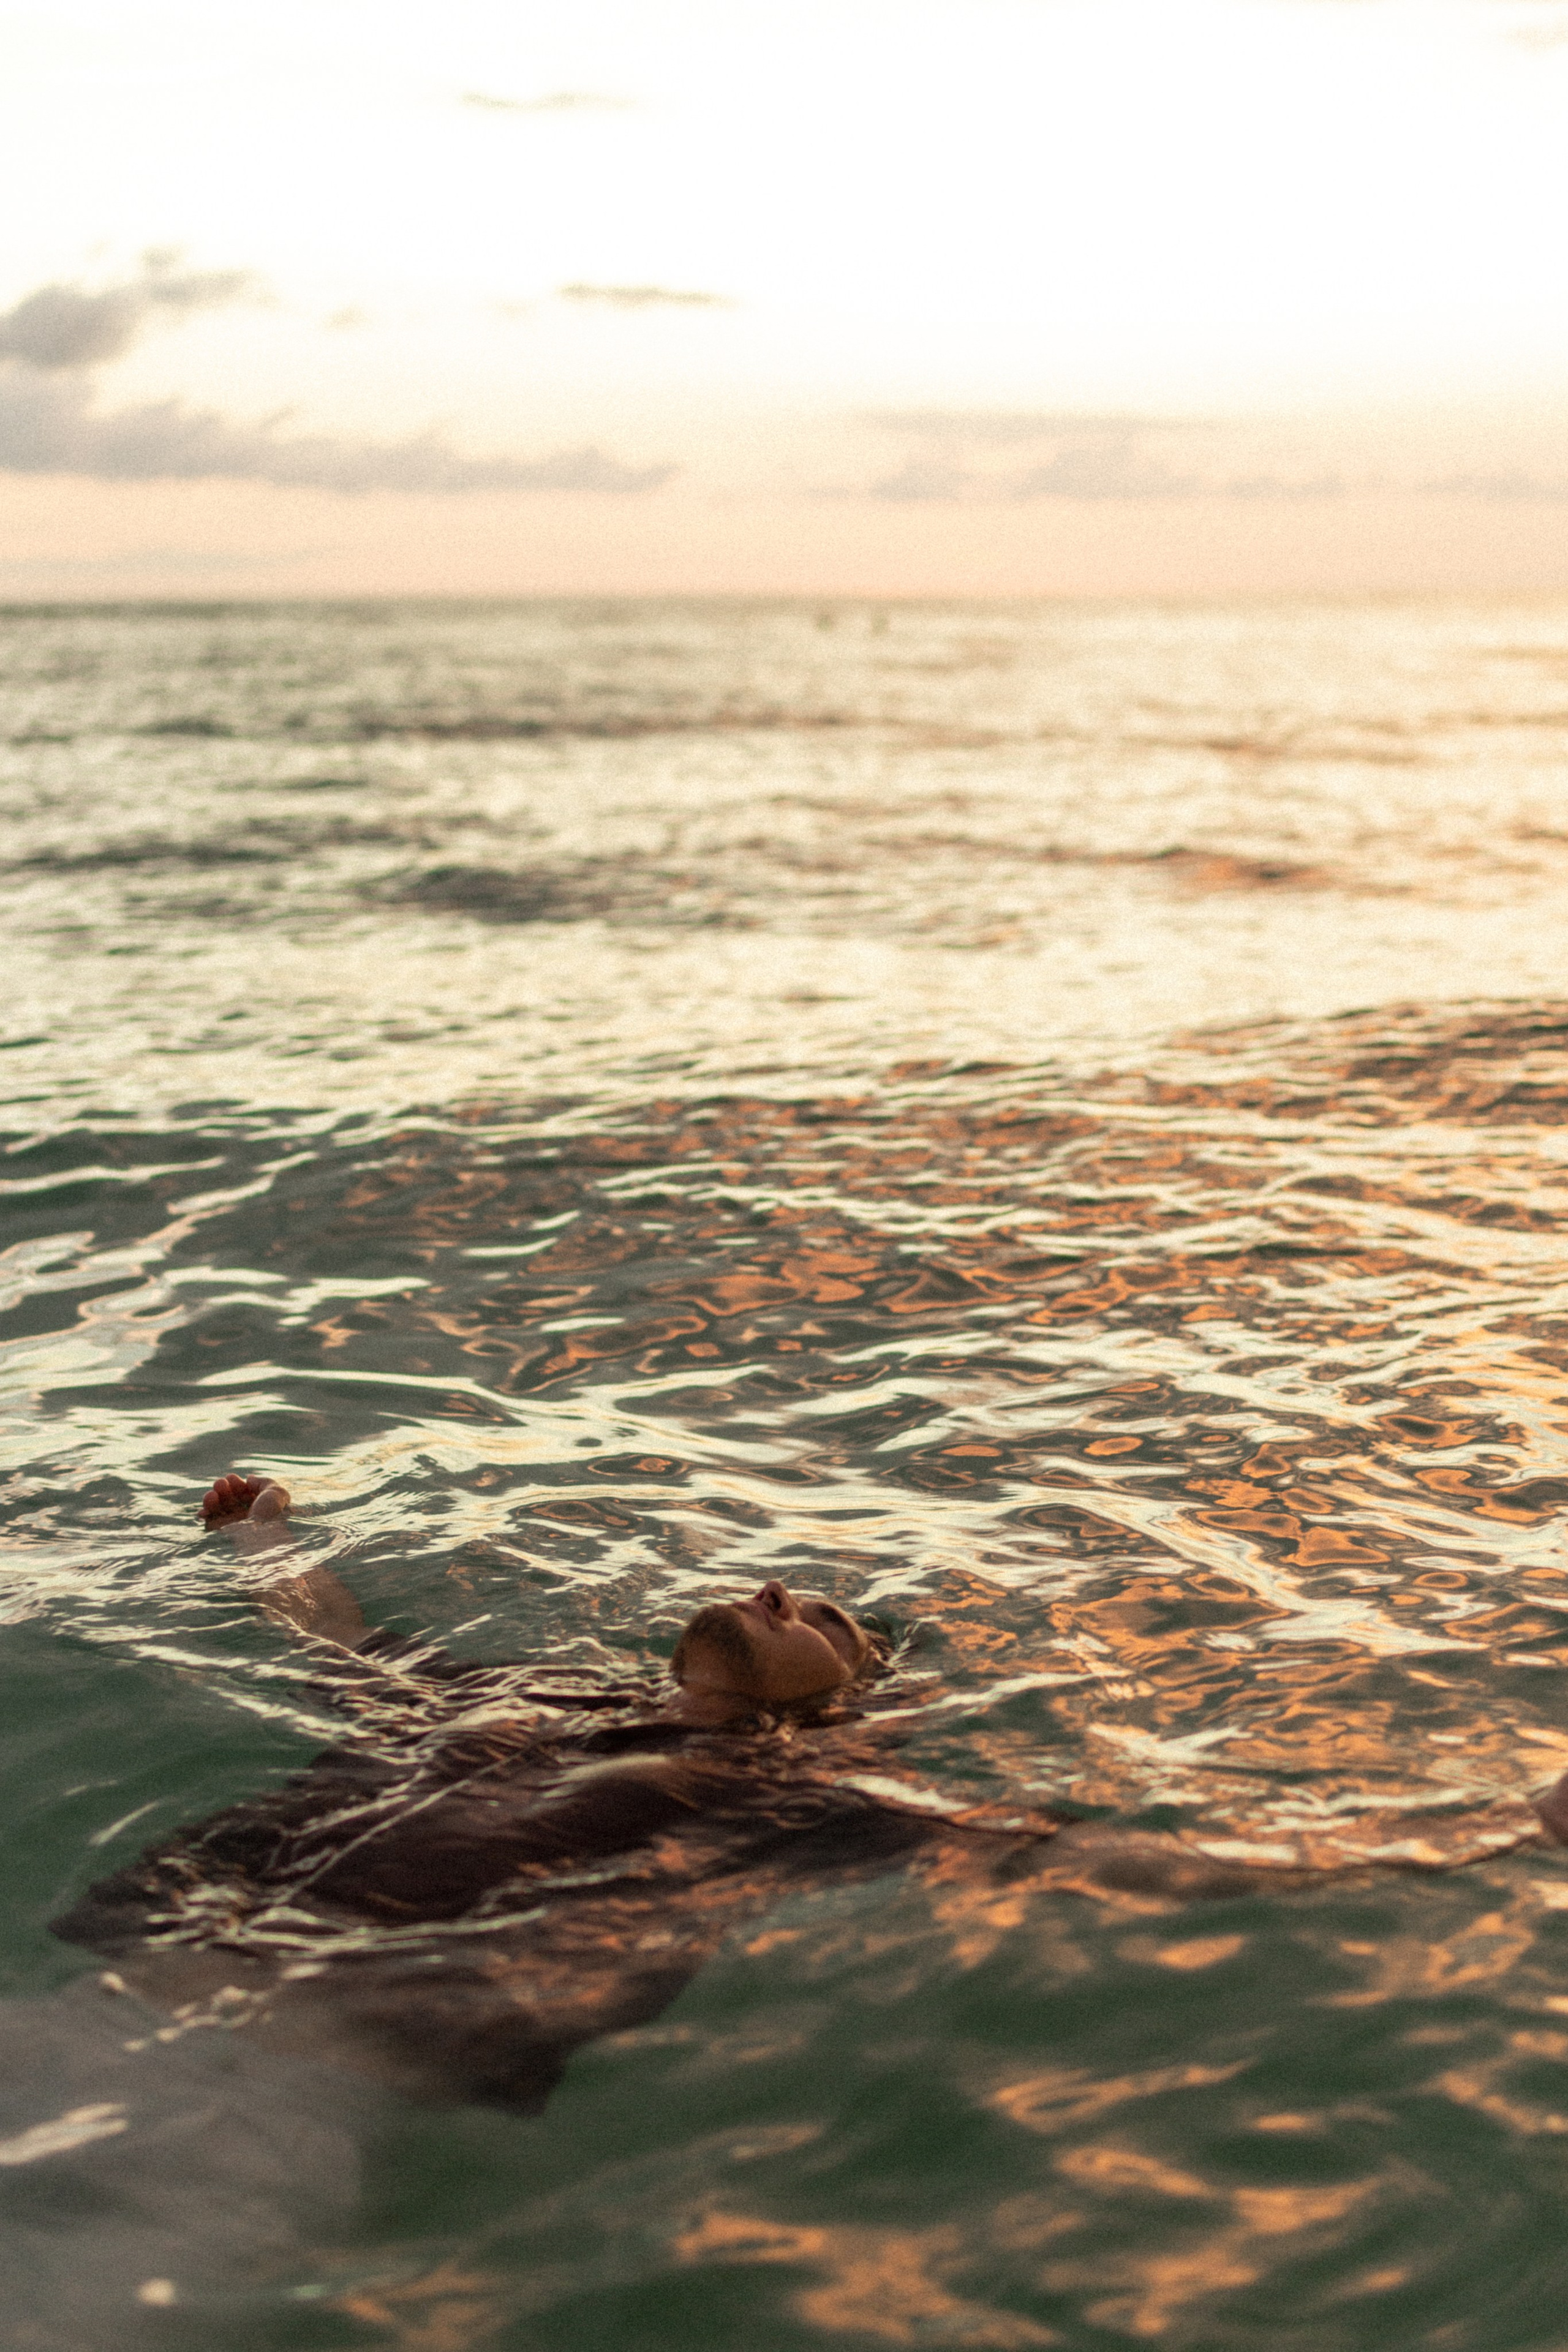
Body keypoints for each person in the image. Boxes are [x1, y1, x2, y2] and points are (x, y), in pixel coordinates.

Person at [50, 1474, 1568, 2115]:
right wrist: (266, 1545)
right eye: (799, 1591)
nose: (780, 1588)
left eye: (825, 1620)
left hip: (332, 2068)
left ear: (839, 1705)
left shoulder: (814, 1804)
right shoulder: (534, 1701)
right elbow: (350, 1649)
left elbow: (1166, 1865)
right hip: (140, 1977)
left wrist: (1500, 1827)